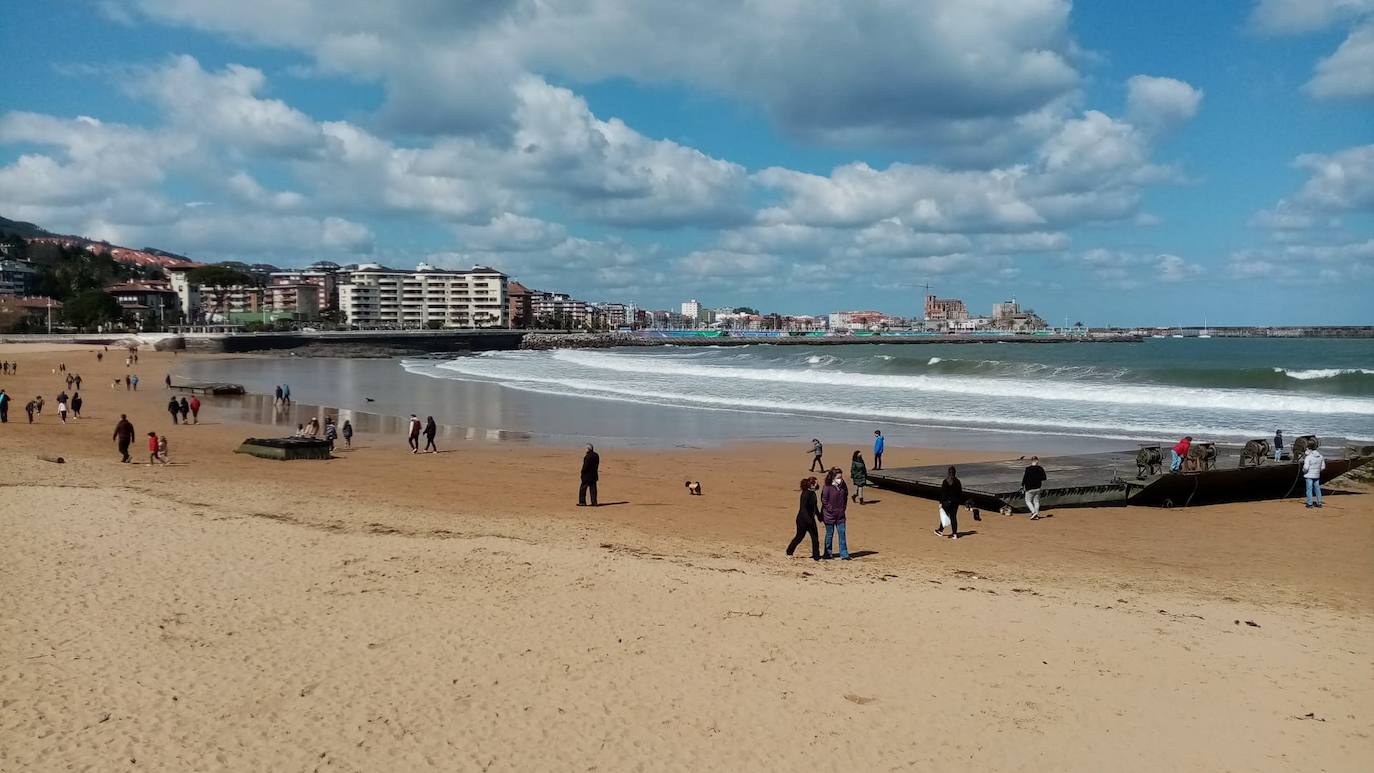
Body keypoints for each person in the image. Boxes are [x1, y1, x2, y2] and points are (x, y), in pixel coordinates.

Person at [786, 477, 822, 561]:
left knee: (815, 538)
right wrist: (808, 520)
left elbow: (815, 507)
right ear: (811, 484)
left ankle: (816, 556)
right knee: (799, 537)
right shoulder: (805, 494)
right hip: (802, 520)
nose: (817, 484)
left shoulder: (813, 493)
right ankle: (789, 552)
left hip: (811, 519)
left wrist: (819, 516)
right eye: (815, 483)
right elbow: (803, 508)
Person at [820, 468, 850, 559]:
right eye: (838, 477)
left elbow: (846, 496)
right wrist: (830, 509)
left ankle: (844, 554)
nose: (840, 479)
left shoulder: (843, 485)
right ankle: (828, 553)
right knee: (829, 534)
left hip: (840, 515)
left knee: (842, 533)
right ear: (833, 477)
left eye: (841, 477)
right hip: (829, 515)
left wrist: (843, 508)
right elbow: (824, 500)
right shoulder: (827, 487)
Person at [935, 466, 963, 539]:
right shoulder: (957, 481)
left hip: (946, 503)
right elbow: (960, 493)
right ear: (955, 473)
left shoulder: (945, 481)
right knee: (953, 517)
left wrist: (941, 503)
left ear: (948, 472)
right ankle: (954, 534)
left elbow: (943, 493)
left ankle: (940, 531)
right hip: (955, 502)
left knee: (944, 516)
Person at [1302, 441, 1326, 509]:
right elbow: (1323, 467)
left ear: (1308, 448)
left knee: (1309, 489)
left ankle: (1309, 504)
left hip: (1309, 475)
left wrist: (1303, 471)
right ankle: (1319, 503)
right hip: (1317, 475)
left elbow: (1306, 468)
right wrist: (1317, 471)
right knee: (1317, 489)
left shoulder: (1308, 457)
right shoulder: (1321, 456)